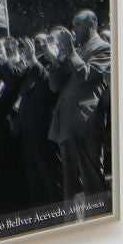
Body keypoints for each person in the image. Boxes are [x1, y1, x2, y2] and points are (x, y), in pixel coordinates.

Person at [49, 13, 110, 203]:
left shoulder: (102, 48)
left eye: (78, 25)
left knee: (92, 183)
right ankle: (75, 225)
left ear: (92, 24)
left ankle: (100, 223)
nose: (74, 30)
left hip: (86, 123)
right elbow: (54, 86)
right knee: (72, 188)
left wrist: (72, 52)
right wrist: (58, 60)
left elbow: (86, 76)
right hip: (67, 125)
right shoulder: (76, 49)